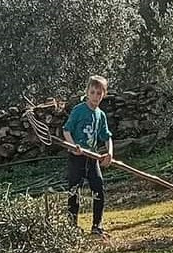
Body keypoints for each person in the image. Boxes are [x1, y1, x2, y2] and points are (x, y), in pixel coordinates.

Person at [62, 75, 113, 236]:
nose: (96, 96)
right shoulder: (79, 110)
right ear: (87, 92)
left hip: (92, 158)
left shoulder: (100, 115)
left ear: (103, 94)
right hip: (77, 157)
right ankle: (71, 226)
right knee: (74, 190)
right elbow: (66, 130)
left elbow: (106, 136)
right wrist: (73, 146)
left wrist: (109, 153)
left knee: (98, 188)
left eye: (99, 93)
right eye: (93, 92)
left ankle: (96, 226)